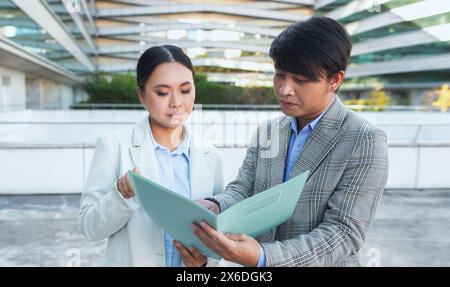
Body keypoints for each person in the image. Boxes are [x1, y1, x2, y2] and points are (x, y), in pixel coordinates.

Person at [185, 16, 389, 267]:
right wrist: (215, 205)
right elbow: (244, 189)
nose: (284, 89)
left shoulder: (364, 139)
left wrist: (263, 257)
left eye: (301, 81)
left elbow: (344, 233)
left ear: (335, 80)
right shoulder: (268, 130)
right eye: (280, 75)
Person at [79, 45, 223, 267]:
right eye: (163, 93)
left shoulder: (211, 155)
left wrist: (204, 265)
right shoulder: (113, 146)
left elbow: (217, 231)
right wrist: (120, 194)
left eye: (185, 90)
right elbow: (89, 227)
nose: (176, 102)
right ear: (141, 95)